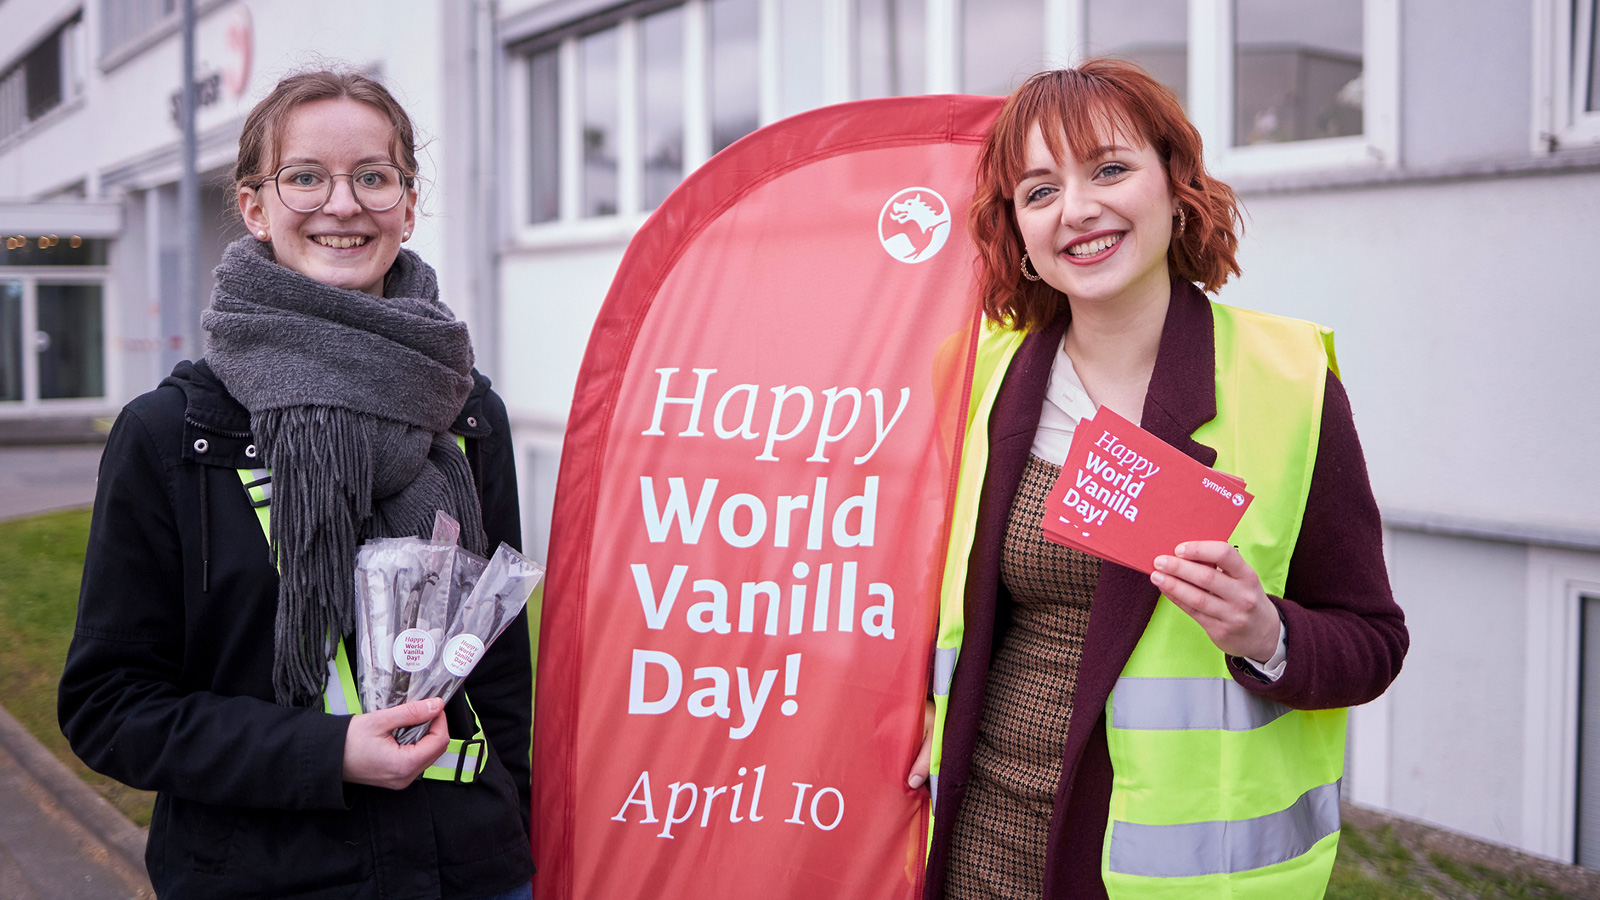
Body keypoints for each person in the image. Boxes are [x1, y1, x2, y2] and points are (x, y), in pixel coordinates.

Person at [906, 59, 1408, 899]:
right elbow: (907, 595)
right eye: (1039, 191)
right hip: (977, 847)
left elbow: (1373, 643)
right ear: (1017, 232)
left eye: (1109, 169)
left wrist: (1266, 633)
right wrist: (914, 704)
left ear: (1177, 187)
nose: (1076, 209)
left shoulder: (1289, 382)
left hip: (1159, 877)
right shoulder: (973, 376)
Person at [58, 70, 535, 900]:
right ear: (255, 207)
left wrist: (518, 831)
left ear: (407, 205)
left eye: (373, 177)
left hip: (468, 870)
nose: (342, 205)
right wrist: (328, 751)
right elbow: (111, 706)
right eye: (306, 176)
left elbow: (496, 671)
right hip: (268, 875)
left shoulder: (466, 411)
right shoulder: (173, 433)